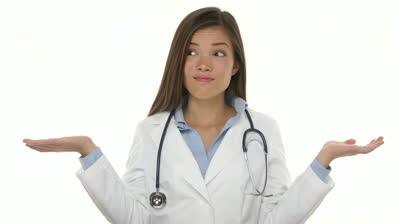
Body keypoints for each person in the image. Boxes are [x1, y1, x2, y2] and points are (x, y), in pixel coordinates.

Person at [23, 7, 384, 224]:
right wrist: (89, 153)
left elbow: (274, 219)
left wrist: (323, 161)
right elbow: (135, 218)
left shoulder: (264, 130)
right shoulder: (151, 131)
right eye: (192, 51)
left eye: (219, 53)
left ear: (236, 65)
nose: (204, 64)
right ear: (179, 61)